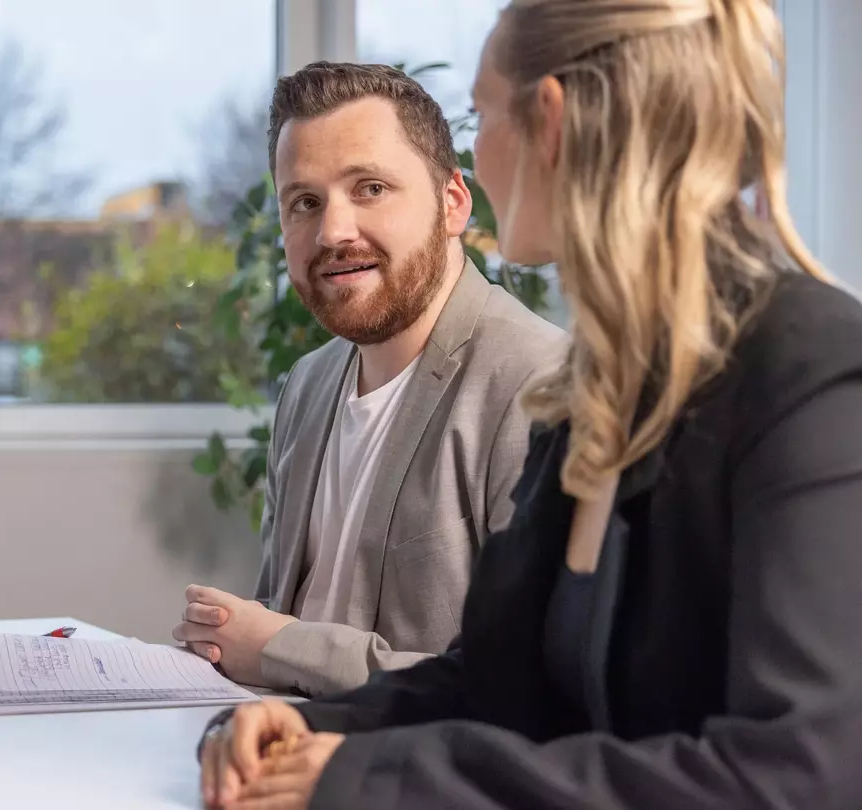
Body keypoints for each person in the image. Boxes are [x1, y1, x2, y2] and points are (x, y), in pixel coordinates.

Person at [196, 1, 862, 808]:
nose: (474, 154)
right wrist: (303, 724)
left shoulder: (814, 366)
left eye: (480, 116)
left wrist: (374, 777)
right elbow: (499, 680)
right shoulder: (597, 385)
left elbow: (795, 778)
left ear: (547, 121)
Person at [172, 63, 564, 697]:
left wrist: (279, 648)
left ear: (452, 203)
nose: (333, 232)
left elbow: (528, 685)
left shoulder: (539, 386)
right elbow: (275, 618)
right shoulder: (308, 384)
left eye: (371, 188)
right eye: (304, 202)